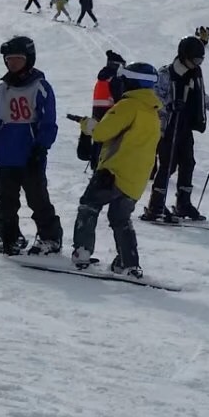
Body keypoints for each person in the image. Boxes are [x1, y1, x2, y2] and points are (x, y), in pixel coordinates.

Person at [70, 63, 162, 279]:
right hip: (136, 179)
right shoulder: (153, 111)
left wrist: (87, 125)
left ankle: (82, 252)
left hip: (113, 172)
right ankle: (128, 263)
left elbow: (102, 133)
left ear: (128, 82)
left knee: (89, 206)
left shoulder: (128, 105)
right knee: (120, 218)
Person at [0, 36, 62, 256]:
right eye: (9, 60)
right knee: (6, 201)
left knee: (37, 199)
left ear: (29, 59)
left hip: (29, 155)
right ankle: (10, 237)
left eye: (18, 59)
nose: (13, 63)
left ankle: (50, 237)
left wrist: (41, 147)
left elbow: (48, 121)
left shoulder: (40, 87)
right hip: (6, 155)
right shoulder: (1, 90)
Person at [142, 36, 209, 222]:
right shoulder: (166, 74)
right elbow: (154, 98)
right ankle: (155, 205)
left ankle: (183, 204)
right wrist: (170, 106)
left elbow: (201, 97)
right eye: (196, 60)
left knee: (188, 164)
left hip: (185, 127)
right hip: (168, 127)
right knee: (167, 165)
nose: (198, 64)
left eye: (201, 60)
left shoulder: (195, 74)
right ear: (184, 56)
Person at [78, 49, 125, 168]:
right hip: (110, 115)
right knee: (107, 148)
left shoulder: (101, 79)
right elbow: (121, 99)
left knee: (98, 143)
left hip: (97, 115)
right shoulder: (114, 80)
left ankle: (96, 167)